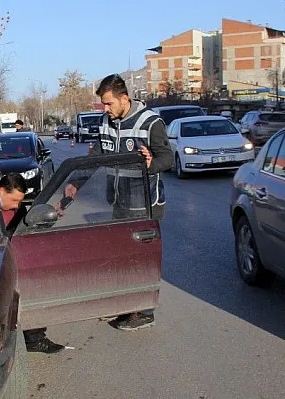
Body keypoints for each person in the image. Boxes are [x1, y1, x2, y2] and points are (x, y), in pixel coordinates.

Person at [63, 73, 172, 331]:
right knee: (123, 257)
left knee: (141, 257)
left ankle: (144, 311)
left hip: (146, 204)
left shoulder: (150, 122)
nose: (106, 109)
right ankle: (129, 306)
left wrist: (151, 164)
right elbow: (98, 156)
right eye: (103, 104)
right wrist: (75, 183)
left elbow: (167, 158)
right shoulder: (105, 121)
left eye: (109, 104)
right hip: (119, 202)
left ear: (125, 98)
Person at [0, 173, 66, 354]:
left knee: (35, 288)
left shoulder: (18, 211)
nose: (16, 205)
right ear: (1, 191)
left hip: (13, 262)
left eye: (19, 201)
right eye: (13, 200)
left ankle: (35, 338)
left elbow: (29, 230)